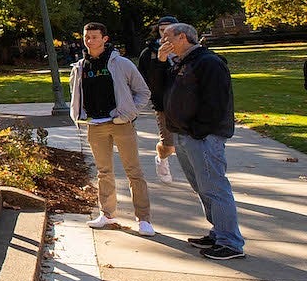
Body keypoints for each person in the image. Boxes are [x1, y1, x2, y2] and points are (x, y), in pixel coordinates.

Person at [161, 23, 245, 260]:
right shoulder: (180, 62)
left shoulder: (208, 62)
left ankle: (230, 243)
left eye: (168, 37)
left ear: (183, 37)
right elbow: (158, 93)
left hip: (203, 137)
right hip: (185, 135)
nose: (163, 41)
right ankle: (218, 232)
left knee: (215, 188)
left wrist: (198, 130)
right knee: (202, 188)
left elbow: (216, 103)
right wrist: (159, 62)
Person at [70, 22, 155, 236]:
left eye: (95, 37)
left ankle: (143, 218)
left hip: (120, 123)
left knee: (133, 171)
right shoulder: (80, 66)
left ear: (105, 39)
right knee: (103, 172)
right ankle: (107, 214)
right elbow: (76, 96)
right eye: (87, 37)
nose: (90, 41)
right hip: (95, 125)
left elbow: (143, 92)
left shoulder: (122, 64)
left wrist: (129, 113)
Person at [137, 16, 181, 182]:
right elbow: (145, 80)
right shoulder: (149, 53)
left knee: (189, 145)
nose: (166, 35)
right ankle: (161, 159)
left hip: (188, 103)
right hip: (163, 103)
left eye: (171, 30)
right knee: (169, 145)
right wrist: (161, 60)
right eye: (163, 30)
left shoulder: (186, 49)